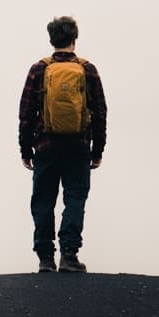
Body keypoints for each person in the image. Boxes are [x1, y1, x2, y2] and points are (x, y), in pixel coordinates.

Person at [18, 16, 107, 273]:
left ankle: (45, 257)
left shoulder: (39, 69)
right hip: (78, 146)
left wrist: (26, 149)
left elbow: (26, 113)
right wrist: (97, 150)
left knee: (44, 199)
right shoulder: (87, 69)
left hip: (45, 145)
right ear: (74, 39)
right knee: (75, 198)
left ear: (51, 39)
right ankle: (69, 255)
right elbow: (100, 112)